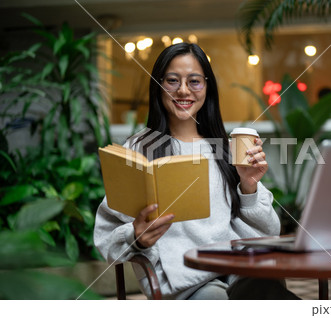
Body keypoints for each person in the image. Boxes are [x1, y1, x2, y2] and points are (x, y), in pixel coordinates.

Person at [94, 43, 299, 300]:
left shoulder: (227, 148)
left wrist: (249, 187)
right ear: (158, 86)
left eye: (194, 81)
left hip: (236, 271)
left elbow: (269, 233)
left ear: (207, 87)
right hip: (185, 282)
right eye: (172, 81)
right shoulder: (139, 148)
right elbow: (106, 234)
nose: (183, 90)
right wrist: (137, 237)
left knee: (272, 292)